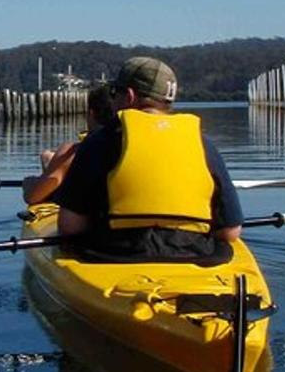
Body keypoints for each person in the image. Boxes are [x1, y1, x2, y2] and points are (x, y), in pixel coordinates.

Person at [45, 56, 243, 264]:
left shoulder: (99, 142)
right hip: (195, 253)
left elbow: (70, 226)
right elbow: (230, 232)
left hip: (113, 255)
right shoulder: (204, 145)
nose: (112, 101)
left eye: (114, 93)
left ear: (129, 96)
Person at [22, 84, 115, 205]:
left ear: (91, 114)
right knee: (47, 158)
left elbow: (32, 198)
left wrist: (29, 185)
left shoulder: (71, 153)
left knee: (45, 162)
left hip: (84, 211)